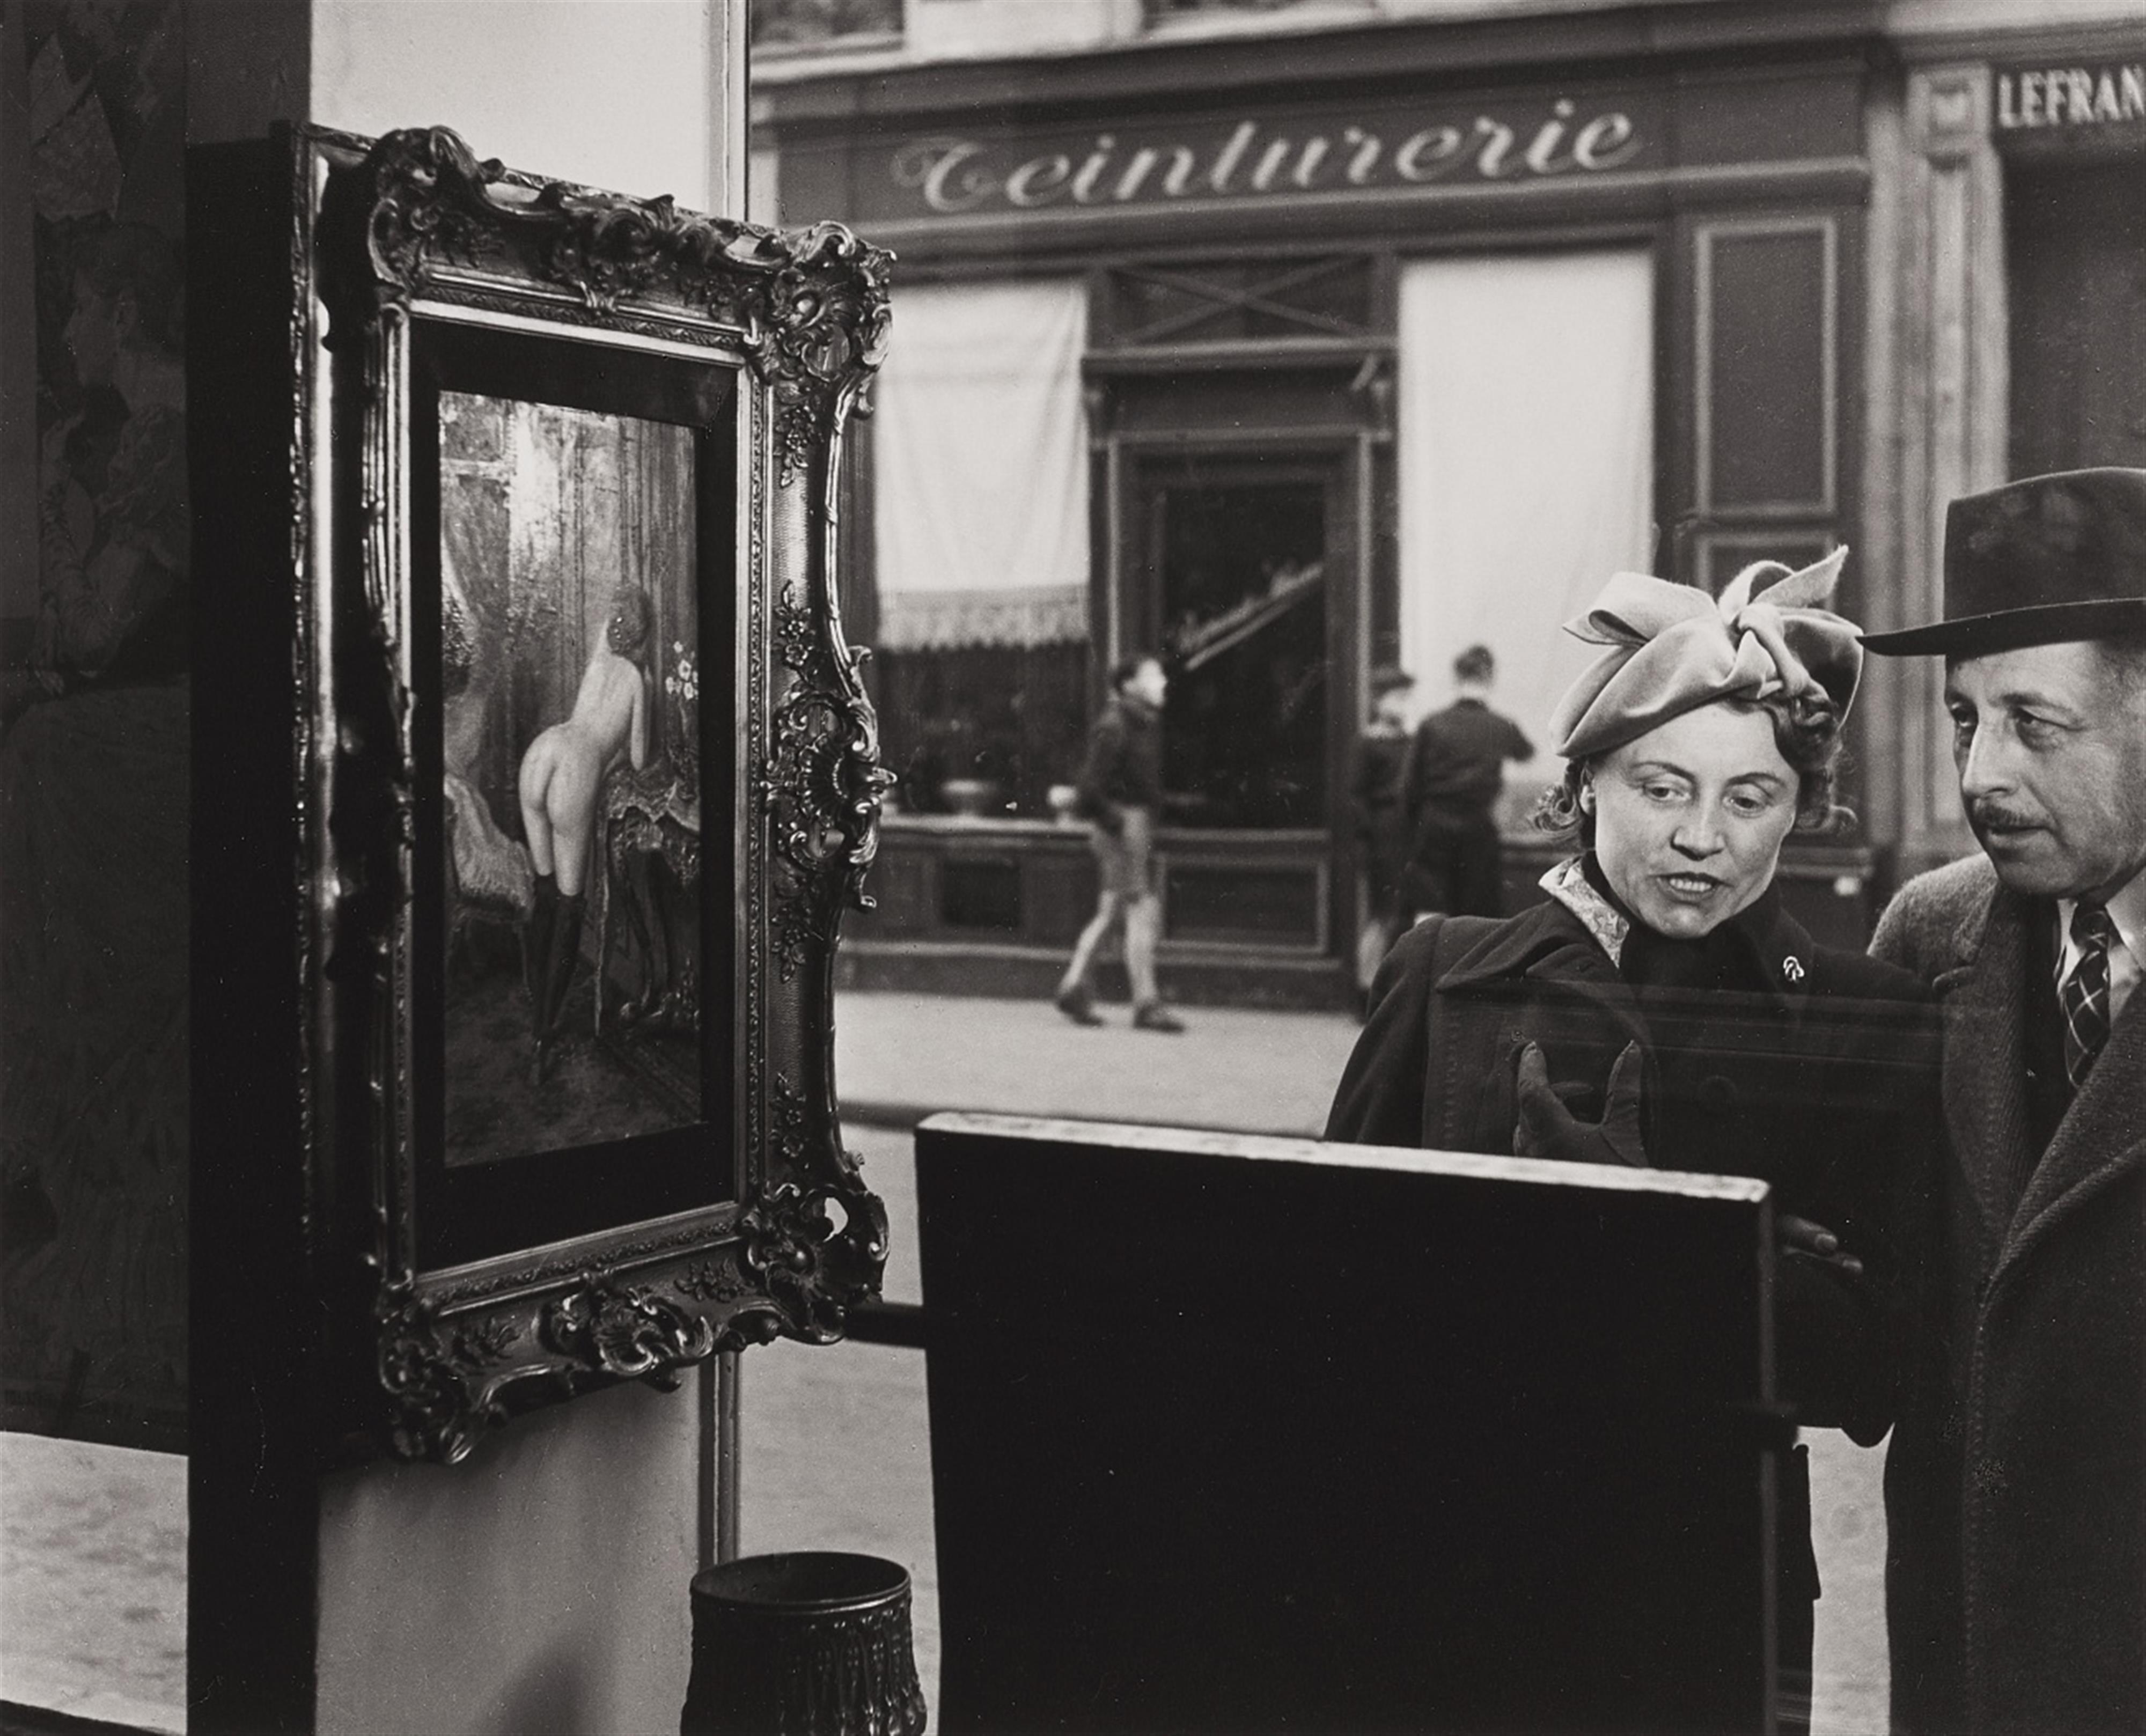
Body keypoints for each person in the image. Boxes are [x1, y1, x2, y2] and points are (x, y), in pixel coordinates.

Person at [1327, 549, 1938, 1732]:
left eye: (1747, 798)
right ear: (1585, 783)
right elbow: (1331, 1312)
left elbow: (1873, 1372)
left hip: (1711, 1598)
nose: (1700, 837)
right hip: (1455, 1571)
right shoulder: (1446, 977)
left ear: (1801, 809)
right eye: (1661, 787)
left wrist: (1652, 1230)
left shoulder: (1862, 1017)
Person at [1861, 466, 2146, 1736]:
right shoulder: (1929, 937)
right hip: (1968, 1664)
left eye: (2035, 724)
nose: (1980, 775)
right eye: (1961, 718)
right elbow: (1876, 1299)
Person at [518, 585, 653, 1071]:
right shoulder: (637, 679)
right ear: (645, 635)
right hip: (577, 768)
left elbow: (608, 639)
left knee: (545, 889)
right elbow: (638, 760)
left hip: (544, 752)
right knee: (571, 907)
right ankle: (542, 1034)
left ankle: (536, 998)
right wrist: (612, 756)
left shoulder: (597, 664)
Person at [1055, 653, 1185, 1033]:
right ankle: (1146, 1003)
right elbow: (1088, 789)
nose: (1162, 682)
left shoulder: (1136, 724)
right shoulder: (1116, 725)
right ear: (1129, 686)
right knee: (1142, 909)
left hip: (1128, 823)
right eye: (1153, 676)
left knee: (1113, 909)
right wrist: (1121, 825)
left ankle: (1074, 986)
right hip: (1124, 825)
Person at [1401, 644, 1533, 920]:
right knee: (1477, 911)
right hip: (1478, 826)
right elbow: (1526, 753)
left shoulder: (1432, 725)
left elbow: (1410, 786)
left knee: (1430, 906)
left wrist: (1415, 827)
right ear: (1490, 678)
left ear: (1456, 678)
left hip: (1434, 825)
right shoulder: (1501, 725)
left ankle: (1428, 963)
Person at [1351, 668, 1416, 996]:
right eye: (1397, 698)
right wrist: (1369, 838)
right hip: (1383, 836)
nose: (1403, 706)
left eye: (1407, 698)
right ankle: (1366, 987)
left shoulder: (1410, 741)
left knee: (1401, 914)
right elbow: (1356, 796)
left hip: (1407, 835)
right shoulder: (1369, 742)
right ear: (1379, 701)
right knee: (1382, 914)